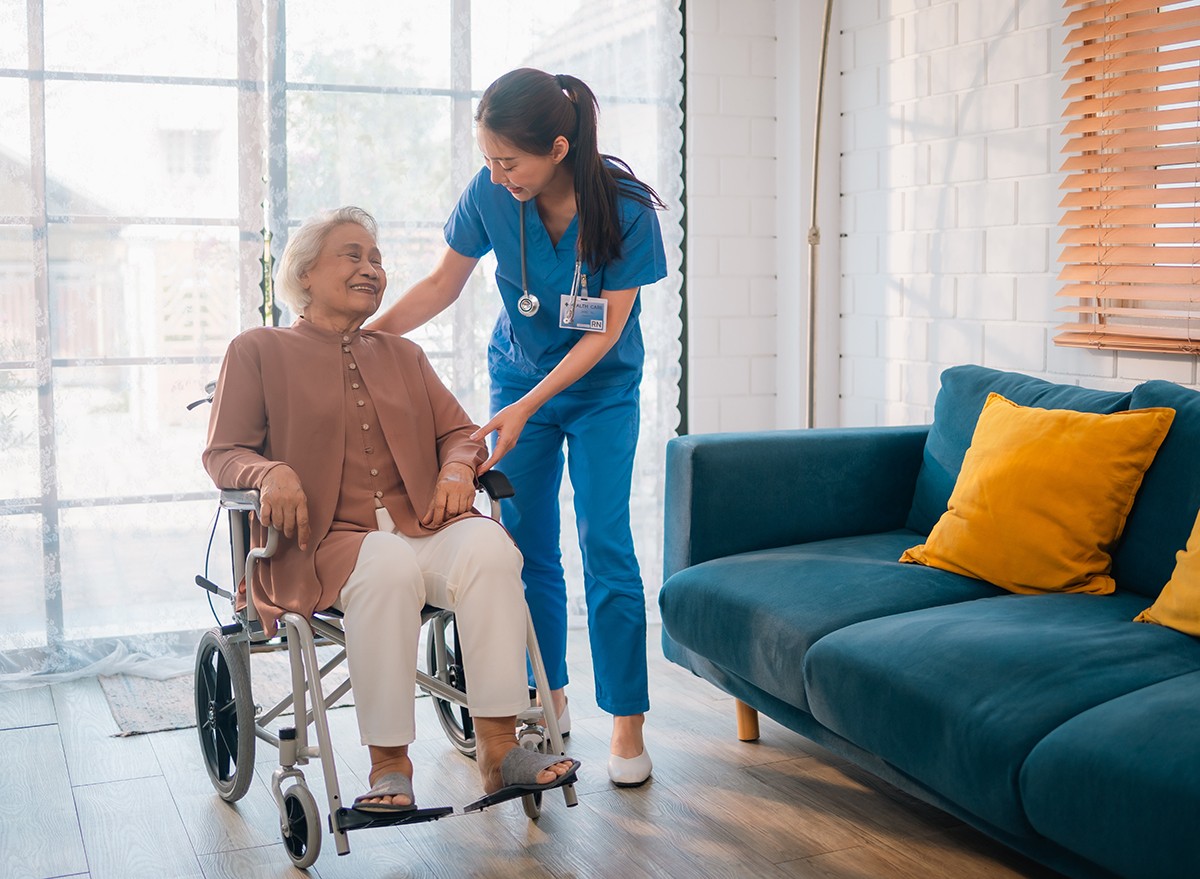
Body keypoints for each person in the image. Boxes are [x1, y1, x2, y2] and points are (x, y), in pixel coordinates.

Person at [203, 206, 578, 813]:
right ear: (304, 273)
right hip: (324, 545)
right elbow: (224, 453)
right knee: (386, 565)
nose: (371, 269)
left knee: (490, 548)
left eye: (376, 259)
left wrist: (459, 467)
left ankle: (500, 750)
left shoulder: (403, 356)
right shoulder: (258, 350)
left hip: (420, 526)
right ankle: (389, 767)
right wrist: (269, 472)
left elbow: (460, 431)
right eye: (352, 255)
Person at [371, 68, 667, 786]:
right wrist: (367, 336)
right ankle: (549, 700)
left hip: (600, 391)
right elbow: (444, 283)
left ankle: (627, 723)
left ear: (559, 147)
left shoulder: (624, 209)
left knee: (605, 541)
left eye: (510, 161)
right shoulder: (491, 195)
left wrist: (530, 403)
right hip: (517, 376)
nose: (497, 175)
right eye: (488, 160)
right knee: (526, 545)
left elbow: (606, 333)